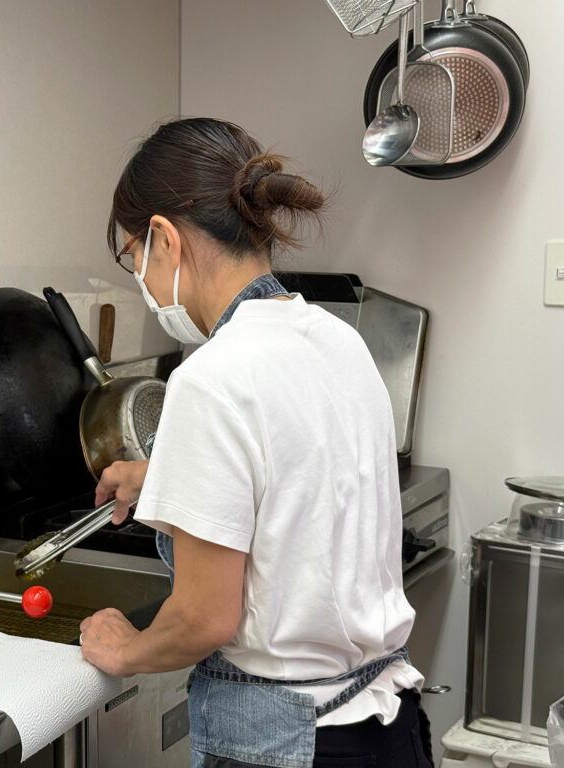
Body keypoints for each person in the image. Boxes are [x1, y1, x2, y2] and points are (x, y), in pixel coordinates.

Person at [78, 118, 433, 768]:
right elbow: (297, 472)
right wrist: (163, 474)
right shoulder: (335, 339)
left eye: (134, 258)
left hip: (290, 746)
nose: (144, 281)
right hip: (387, 730)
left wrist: (123, 648)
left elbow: (203, 620)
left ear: (164, 238)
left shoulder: (210, 379)